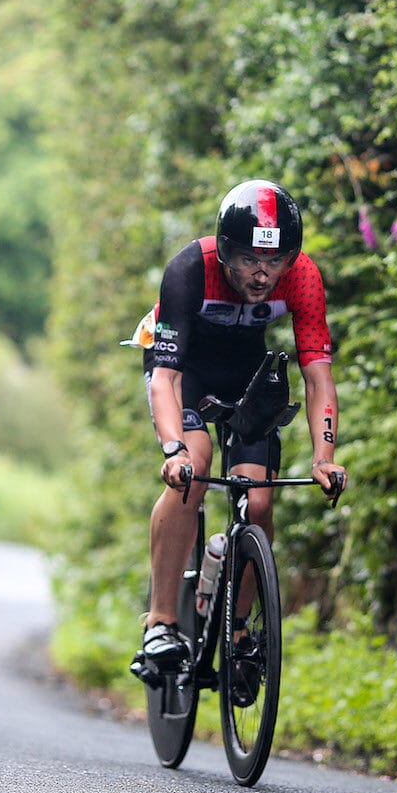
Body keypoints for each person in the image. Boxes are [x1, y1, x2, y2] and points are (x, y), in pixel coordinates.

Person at [132, 178, 349, 669]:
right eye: (250, 259)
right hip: (186, 369)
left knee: (259, 501)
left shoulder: (303, 276)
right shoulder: (190, 268)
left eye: (275, 261)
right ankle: (161, 624)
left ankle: (237, 633)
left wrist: (324, 457)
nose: (262, 274)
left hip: (246, 372)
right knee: (197, 468)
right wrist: (174, 451)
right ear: (226, 252)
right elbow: (164, 378)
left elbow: (318, 378)